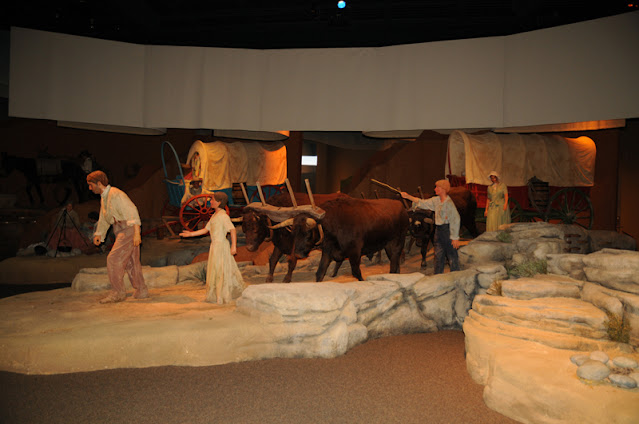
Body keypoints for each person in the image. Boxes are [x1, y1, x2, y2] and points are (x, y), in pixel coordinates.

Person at [87, 170, 149, 303]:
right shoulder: (105, 197)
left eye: (91, 185)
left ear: (99, 183)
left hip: (128, 228)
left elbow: (131, 210)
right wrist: (99, 234)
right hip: (119, 228)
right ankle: (141, 289)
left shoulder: (116, 194)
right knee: (131, 261)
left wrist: (137, 233)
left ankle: (118, 292)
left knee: (113, 259)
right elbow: (104, 217)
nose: (90, 188)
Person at [179, 192, 245, 304]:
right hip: (214, 246)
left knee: (220, 270)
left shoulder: (223, 216)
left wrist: (233, 246)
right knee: (215, 269)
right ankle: (217, 295)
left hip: (221, 245)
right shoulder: (215, 215)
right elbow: (206, 230)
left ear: (219, 202)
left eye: (212, 199)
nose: (210, 201)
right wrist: (190, 234)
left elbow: (232, 229)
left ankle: (221, 296)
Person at [401, 179, 461, 274]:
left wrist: (455, 237)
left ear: (443, 189)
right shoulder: (436, 200)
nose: (435, 189)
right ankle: (438, 276)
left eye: (437, 187)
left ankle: (456, 275)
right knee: (438, 256)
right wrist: (408, 196)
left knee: (452, 256)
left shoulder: (449, 204)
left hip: (447, 231)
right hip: (439, 231)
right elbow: (422, 202)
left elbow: (455, 219)